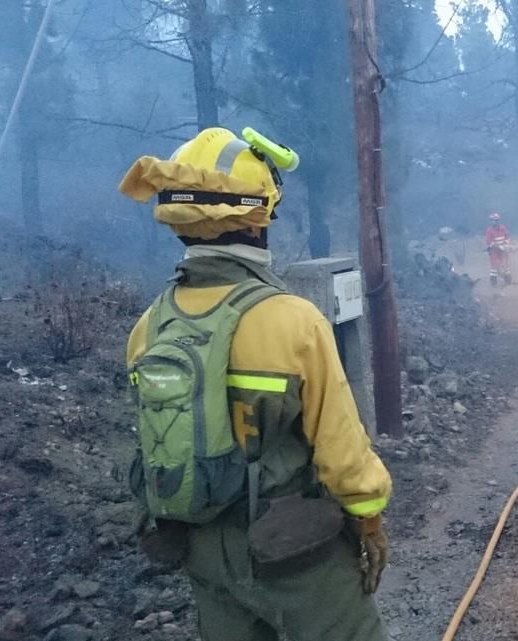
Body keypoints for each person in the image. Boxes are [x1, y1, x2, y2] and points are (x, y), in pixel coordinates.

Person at [118, 127, 392, 641]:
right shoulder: (292, 321)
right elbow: (342, 450)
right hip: (295, 551)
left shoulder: (150, 326)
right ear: (257, 215)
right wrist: (368, 520)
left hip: (203, 551)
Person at [485, 212, 512, 285]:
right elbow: (489, 242)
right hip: (494, 252)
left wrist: (506, 244)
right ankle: (493, 283)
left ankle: (508, 280)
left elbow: (507, 237)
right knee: (494, 267)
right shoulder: (489, 230)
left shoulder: (503, 228)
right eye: (491, 220)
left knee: (506, 265)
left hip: (503, 251)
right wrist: (499, 246)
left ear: (497, 221)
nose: (492, 222)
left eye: (493, 220)